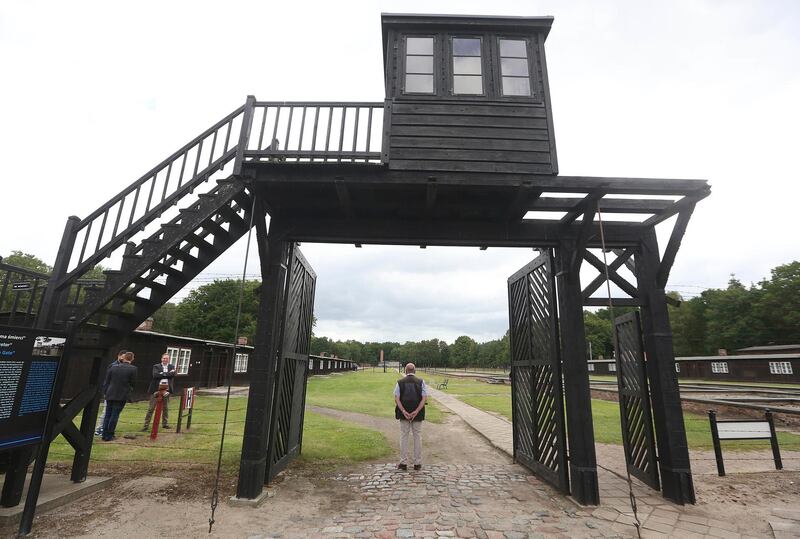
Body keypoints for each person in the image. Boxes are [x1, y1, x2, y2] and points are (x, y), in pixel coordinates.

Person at [394, 362, 427, 471]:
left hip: (404, 413)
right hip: (418, 414)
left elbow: (397, 399)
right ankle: (417, 463)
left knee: (404, 437)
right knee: (417, 437)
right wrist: (416, 411)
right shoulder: (421, 382)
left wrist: (404, 411)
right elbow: (424, 398)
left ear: (405, 371)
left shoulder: (400, 382)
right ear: (414, 371)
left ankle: (403, 463)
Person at [101, 351, 137, 441]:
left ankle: (104, 434)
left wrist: (105, 392)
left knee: (107, 414)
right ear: (132, 359)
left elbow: (107, 381)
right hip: (121, 395)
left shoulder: (113, 367)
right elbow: (133, 383)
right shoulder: (133, 369)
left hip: (110, 393)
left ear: (124, 358)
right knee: (115, 415)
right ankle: (110, 435)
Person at [95, 350, 127, 436]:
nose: (124, 359)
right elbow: (107, 379)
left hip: (118, 393)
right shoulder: (113, 366)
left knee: (113, 413)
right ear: (119, 356)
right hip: (110, 392)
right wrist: (105, 391)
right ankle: (99, 428)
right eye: (123, 357)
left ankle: (108, 429)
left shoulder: (123, 366)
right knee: (106, 411)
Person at [142, 353, 176, 431]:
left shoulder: (172, 366)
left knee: (166, 408)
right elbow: (155, 375)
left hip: (167, 390)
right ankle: (145, 426)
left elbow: (173, 375)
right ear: (161, 359)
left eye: (166, 358)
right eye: (164, 358)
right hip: (156, 390)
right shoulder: (156, 366)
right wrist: (168, 374)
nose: (165, 360)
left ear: (169, 359)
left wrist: (162, 374)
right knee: (151, 408)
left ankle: (165, 424)